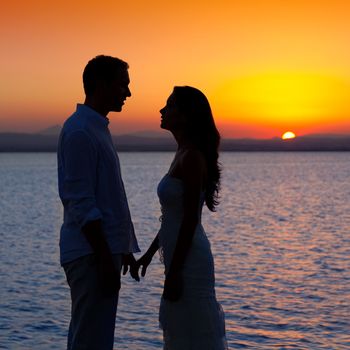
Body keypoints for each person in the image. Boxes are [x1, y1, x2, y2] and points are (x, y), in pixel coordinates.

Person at [57, 55, 140, 350]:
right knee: (90, 340)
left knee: (96, 337)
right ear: (101, 85)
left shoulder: (96, 128)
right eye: (122, 85)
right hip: (91, 254)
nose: (128, 93)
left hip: (101, 252)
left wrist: (123, 247)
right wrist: (106, 257)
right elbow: (81, 201)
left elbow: (109, 198)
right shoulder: (80, 131)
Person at [136, 86, 228, 349]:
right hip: (179, 257)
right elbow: (171, 217)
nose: (162, 110)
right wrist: (150, 254)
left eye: (170, 105)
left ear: (186, 116)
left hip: (189, 261)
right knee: (180, 332)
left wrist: (175, 273)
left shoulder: (192, 158)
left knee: (193, 332)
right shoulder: (182, 153)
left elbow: (190, 220)